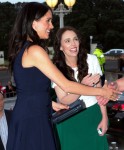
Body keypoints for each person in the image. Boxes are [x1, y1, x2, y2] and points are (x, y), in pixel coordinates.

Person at [6, 2, 119, 150]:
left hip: (33, 113)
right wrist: (103, 91)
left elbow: (29, 88)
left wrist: (50, 103)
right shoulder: (34, 50)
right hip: (32, 118)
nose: (51, 26)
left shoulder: (26, 49)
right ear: (34, 23)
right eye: (47, 21)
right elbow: (66, 85)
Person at [52, 26, 109, 150]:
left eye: (75, 39)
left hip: (94, 116)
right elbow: (64, 100)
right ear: (60, 46)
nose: (73, 44)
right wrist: (82, 86)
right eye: (67, 41)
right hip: (71, 120)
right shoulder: (55, 68)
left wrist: (104, 117)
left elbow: (101, 93)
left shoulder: (92, 59)